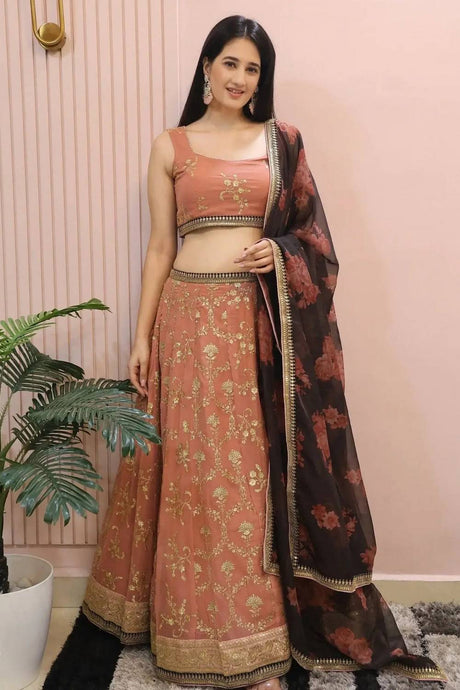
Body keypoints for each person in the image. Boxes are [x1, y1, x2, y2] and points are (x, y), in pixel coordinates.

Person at [82, 15, 447, 688]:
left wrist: (279, 254)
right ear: (206, 67)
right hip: (186, 323)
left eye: (252, 69)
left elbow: (316, 241)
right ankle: (189, 628)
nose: (240, 78)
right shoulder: (171, 146)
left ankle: (256, 643)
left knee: (249, 478)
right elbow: (160, 247)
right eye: (230, 63)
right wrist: (140, 337)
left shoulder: (282, 143)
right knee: (193, 476)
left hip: (256, 327)